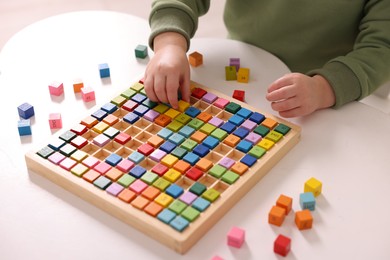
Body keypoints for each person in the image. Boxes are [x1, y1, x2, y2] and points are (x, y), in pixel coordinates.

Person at [143, 0, 390, 118]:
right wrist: (169, 43)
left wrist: (323, 88)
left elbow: (381, 48)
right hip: (241, 63)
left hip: (324, 91)